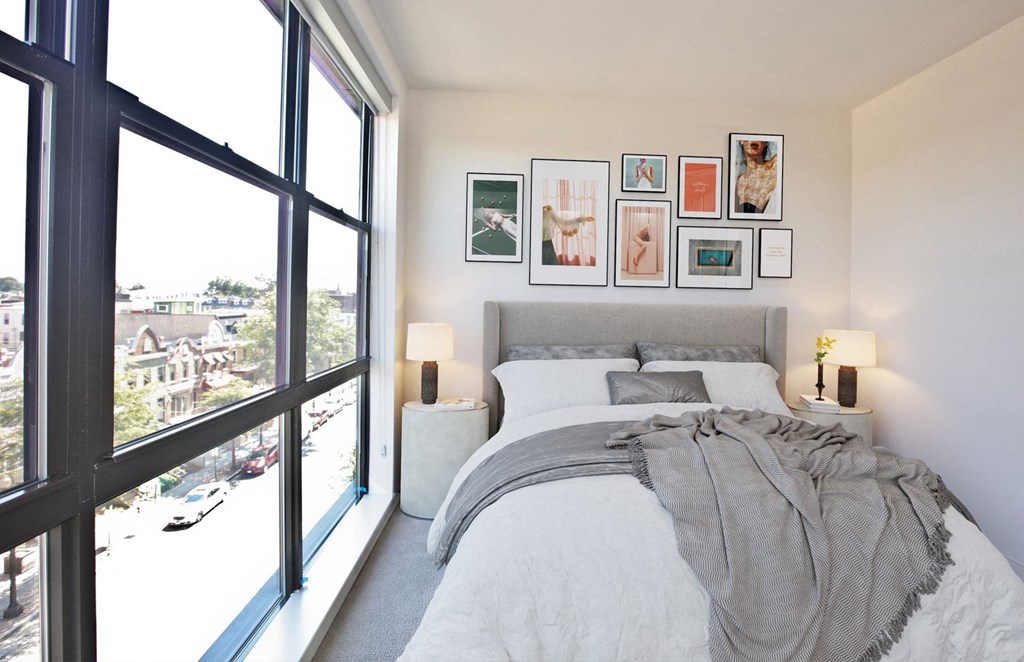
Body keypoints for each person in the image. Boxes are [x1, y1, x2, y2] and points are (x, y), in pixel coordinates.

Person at [735, 140, 778, 214]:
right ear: (741, 141)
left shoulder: (776, 165)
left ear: (765, 142)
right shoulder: (738, 182)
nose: (754, 139)